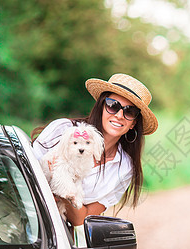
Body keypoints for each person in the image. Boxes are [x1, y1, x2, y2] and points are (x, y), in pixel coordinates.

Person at [31, 73, 158, 230]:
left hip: (59, 238)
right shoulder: (62, 129)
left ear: (133, 123)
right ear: (102, 106)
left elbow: (82, 220)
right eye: (113, 105)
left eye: (129, 111)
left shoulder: (125, 168)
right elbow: (25, 175)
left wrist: (64, 192)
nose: (119, 115)